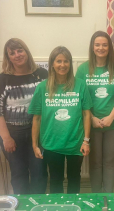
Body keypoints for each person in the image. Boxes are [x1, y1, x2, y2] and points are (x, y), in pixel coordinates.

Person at [28, 46, 92, 194]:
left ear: (70, 64)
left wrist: (86, 141)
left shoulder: (80, 85)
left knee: (74, 179)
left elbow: (87, 114)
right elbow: (36, 118)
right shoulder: (42, 88)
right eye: (58, 61)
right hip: (51, 144)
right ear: (52, 64)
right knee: (56, 180)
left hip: (75, 143)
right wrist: (34, 145)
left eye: (66, 61)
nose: (62, 65)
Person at [0, 38, 48, 194]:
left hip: (38, 133)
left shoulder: (42, 75)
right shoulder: (2, 80)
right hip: (13, 135)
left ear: (26, 51)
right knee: (19, 175)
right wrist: (6, 138)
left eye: (20, 50)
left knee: (39, 174)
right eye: (12, 53)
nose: (17, 55)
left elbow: (51, 101)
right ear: (8, 57)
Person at [76, 31, 114, 193]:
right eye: (97, 44)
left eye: (104, 45)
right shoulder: (83, 70)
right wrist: (92, 118)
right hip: (91, 123)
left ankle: (108, 196)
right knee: (95, 162)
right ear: (92, 47)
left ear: (109, 48)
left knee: (110, 162)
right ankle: (96, 197)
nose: (101, 48)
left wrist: (111, 117)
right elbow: (80, 98)